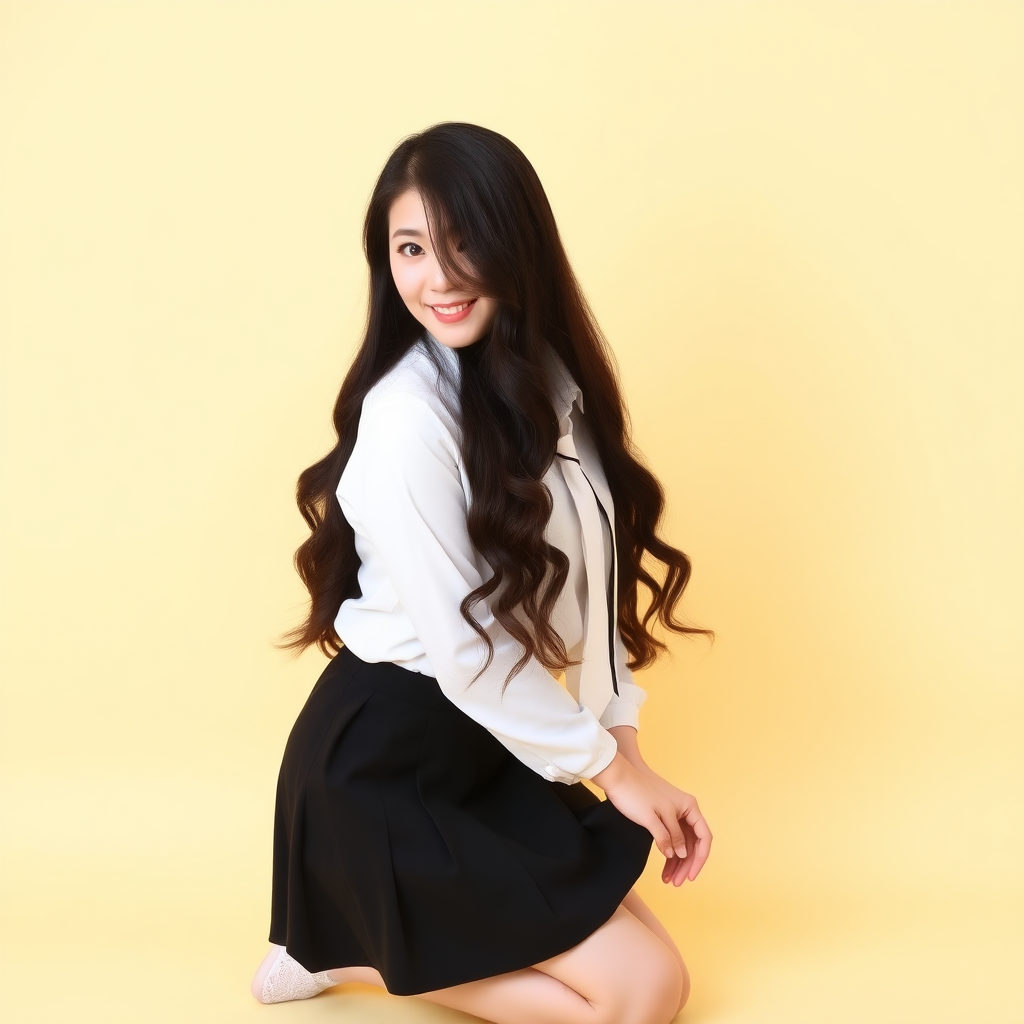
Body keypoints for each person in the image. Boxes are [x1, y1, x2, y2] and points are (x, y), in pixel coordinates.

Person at [250, 122, 713, 1024]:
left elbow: (589, 589)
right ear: (387, 265)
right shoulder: (404, 421)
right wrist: (615, 780)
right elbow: (467, 655)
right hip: (382, 765)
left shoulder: (548, 386)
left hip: (493, 746)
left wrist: (629, 754)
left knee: (660, 971)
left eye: (465, 242)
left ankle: (341, 927)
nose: (440, 276)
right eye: (412, 249)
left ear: (518, 242)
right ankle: (344, 940)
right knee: (644, 994)